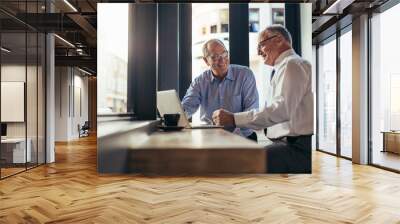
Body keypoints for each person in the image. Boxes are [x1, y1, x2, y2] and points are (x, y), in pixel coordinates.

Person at [212, 25, 313, 173]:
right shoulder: (285, 67)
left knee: (240, 164)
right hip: (286, 145)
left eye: (261, 45)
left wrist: (234, 118)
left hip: (295, 149)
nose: (258, 52)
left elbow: (281, 110)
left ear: (278, 40)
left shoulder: (292, 64)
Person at [182, 39, 259, 141]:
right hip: (211, 138)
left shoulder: (245, 75)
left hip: (243, 137)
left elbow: (252, 110)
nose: (222, 60)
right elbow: (188, 106)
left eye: (224, 54)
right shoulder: (200, 81)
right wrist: (177, 115)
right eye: (215, 57)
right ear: (206, 61)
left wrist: (234, 134)